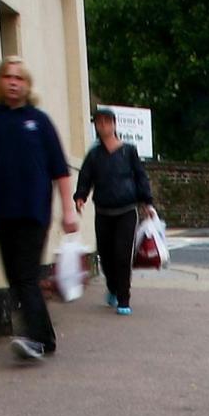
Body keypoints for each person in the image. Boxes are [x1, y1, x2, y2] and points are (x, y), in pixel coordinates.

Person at [0, 57, 75, 362]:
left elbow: (60, 170)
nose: (13, 82)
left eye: (19, 78)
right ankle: (46, 337)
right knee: (15, 278)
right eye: (8, 77)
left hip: (33, 211)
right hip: (3, 210)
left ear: (27, 85)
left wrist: (68, 210)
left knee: (26, 276)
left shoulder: (39, 121)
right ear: (0, 82)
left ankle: (36, 339)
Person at [75, 108, 155, 316]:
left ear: (114, 124)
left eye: (107, 121)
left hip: (126, 211)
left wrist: (147, 202)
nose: (103, 125)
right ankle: (111, 286)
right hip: (103, 211)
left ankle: (123, 298)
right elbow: (85, 178)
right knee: (106, 255)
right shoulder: (94, 155)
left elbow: (140, 177)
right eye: (99, 122)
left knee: (122, 255)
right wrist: (80, 196)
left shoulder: (128, 151)